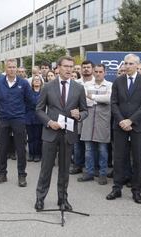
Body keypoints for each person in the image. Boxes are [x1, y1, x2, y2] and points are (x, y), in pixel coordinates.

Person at [34, 56, 88, 211]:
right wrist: (49, 122)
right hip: (51, 132)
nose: (69, 69)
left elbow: (85, 111)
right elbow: (39, 109)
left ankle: (63, 199)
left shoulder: (79, 88)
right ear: (58, 68)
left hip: (68, 134)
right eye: (66, 66)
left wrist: (79, 115)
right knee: (46, 168)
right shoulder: (48, 86)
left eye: (71, 66)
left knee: (64, 170)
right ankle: (40, 198)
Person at [106, 54, 141, 204]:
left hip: (138, 125)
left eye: (131, 63)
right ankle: (117, 188)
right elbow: (114, 103)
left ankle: (136, 191)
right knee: (119, 158)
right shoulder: (118, 81)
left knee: (138, 159)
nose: (127, 66)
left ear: (137, 65)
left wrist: (131, 120)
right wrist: (121, 121)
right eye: (125, 63)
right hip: (120, 126)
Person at [0, 58, 34, 187]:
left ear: (17, 68)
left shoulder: (24, 83)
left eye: (14, 67)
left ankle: (22, 175)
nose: (12, 69)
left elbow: (30, 101)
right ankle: (2, 174)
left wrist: (21, 113)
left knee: (20, 148)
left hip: (18, 119)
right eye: (9, 67)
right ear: (5, 69)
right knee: (3, 148)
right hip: (4, 119)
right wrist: (2, 113)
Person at [78, 64, 112, 185]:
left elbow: (109, 99)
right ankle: (89, 172)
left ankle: (103, 174)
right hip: (88, 120)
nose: (98, 74)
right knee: (88, 149)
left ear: (105, 72)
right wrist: (98, 99)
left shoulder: (109, 85)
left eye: (100, 71)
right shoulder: (86, 85)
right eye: (96, 71)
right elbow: (83, 100)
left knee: (102, 149)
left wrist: (92, 97)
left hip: (102, 121)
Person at [70, 60, 95, 176]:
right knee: (77, 141)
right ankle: (77, 165)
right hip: (76, 112)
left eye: (88, 67)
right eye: (84, 67)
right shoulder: (76, 82)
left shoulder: (96, 83)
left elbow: (93, 101)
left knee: (88, 143)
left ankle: (89, 167)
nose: (86, 69)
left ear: (92, 69)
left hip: (90, 114)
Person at [26, 75, 43, 162]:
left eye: (38, 80)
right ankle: (31, 154)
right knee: (31, 137)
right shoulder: (28, 92)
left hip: (39, 118)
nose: (36, 81)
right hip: (29, 117)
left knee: (38, 137)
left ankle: (37, 154)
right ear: (32, 82)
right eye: (35, 80)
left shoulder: (43, 92)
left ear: (41, 82)